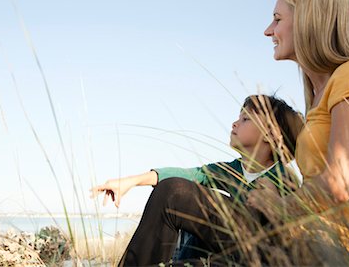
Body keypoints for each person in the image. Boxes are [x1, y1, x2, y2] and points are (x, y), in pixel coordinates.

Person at [91, 94, 304, 265]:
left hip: (257, 254)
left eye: (245, 119)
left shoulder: (284, 178)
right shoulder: (231, 170)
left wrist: (274, 203)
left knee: (173, 191)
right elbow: (188, 176)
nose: (234, 123)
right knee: (174, 193)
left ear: (270, 135)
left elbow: (294, 230)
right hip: (219, 252)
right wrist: (130, 182)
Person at [245, 0, 349, 264]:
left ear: (309, 20)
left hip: (343, 248)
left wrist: (279, 206)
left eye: (277, 19)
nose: (268, 30)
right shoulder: (319, 95)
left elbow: (339, 183)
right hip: (316, 237)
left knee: (178, 197)